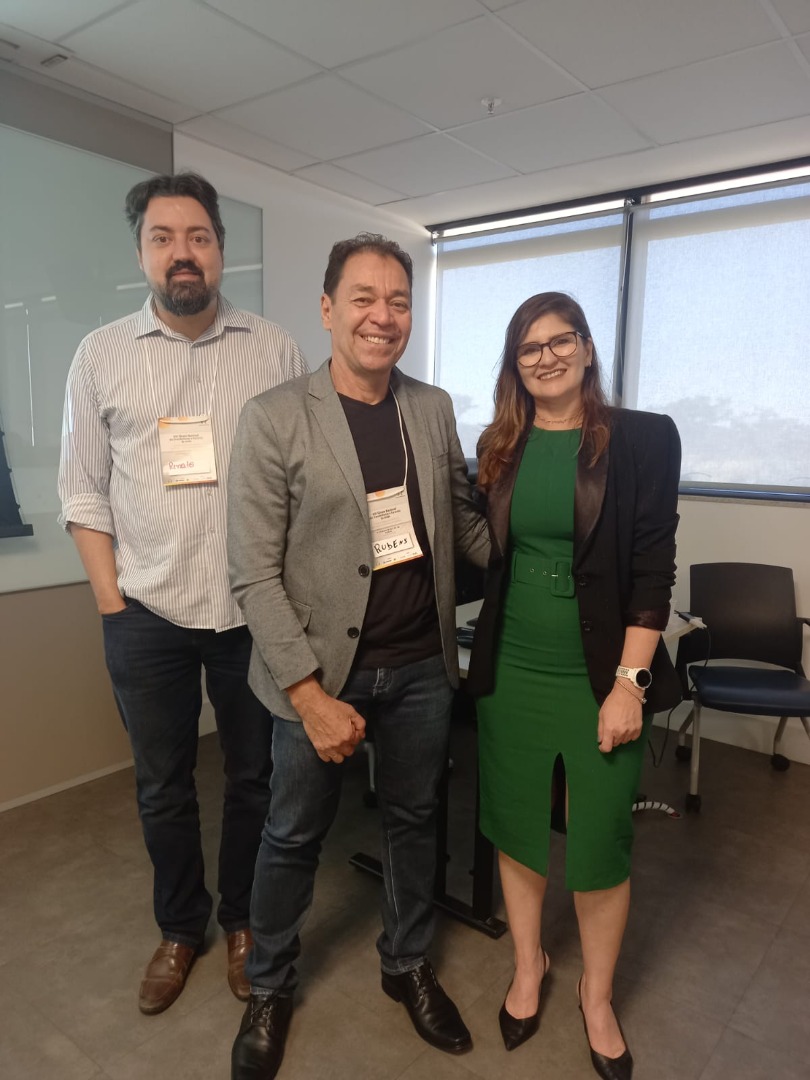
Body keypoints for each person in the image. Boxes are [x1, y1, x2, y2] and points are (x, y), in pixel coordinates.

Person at [226, 233, 489, 1080]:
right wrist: (308, 697)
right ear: (328, 308)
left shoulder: (432, 408)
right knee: (291, 834)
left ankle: (405, 962)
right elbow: (253, 574)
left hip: (419, 667)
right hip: (319, 676)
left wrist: (549, 517)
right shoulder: (275, 416)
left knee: (414, 822)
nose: (384, 316)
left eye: (399, 300)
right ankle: (271, 984)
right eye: (365, 298)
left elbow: (464, 524)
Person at [57, 172, 307, 1015]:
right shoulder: (100, 356)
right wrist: (111, 603)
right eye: (163, 238)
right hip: (145, 615)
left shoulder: (272, 349)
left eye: (198, 236)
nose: (182, 252)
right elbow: (83, 490)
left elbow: (296, 483)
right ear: (141, 254)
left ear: (220, 249)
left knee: (252, 779)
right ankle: (178, 927)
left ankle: (241, 921)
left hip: (248, 613)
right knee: (161, 784)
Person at [466, 292, 681, 1080]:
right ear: (514, 364)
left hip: (599, 675)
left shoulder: (643, 439)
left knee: (598, 841)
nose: (546, 357)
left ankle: (598, 994)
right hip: (511, 671)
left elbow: (653, 569)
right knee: (517, 826)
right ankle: (530, 966)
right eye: (529, 347)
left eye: (561, 341)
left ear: (588, 349)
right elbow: (485, 553)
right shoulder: (499, 444)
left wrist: (630, 684)